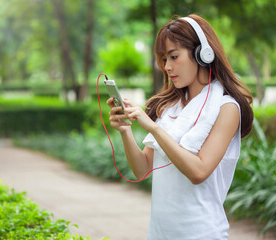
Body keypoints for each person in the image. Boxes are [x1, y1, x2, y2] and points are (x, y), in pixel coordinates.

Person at [106, 14, 254, 239]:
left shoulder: (226, 108)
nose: (167, 67)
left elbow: (198, 172)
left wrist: (154, 129)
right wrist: (125, 130)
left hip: (202, 233)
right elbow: (143, 169)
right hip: (160, 233)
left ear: (201, 54)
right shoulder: (169, 106)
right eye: (164, 59)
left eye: (174, 57)